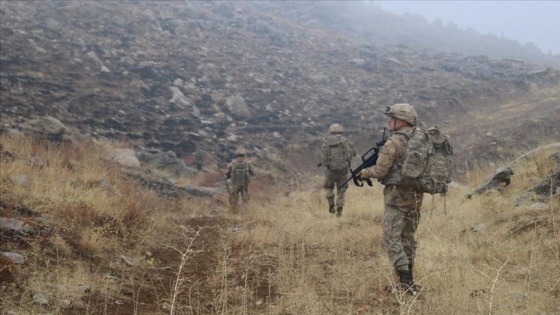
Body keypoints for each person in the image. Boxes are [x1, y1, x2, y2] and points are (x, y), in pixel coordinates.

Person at [357, 103, 423, 295]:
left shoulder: (393, 142)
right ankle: (408, 280)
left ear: (402, 121)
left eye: (392, 118)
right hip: (416, 196)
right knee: (408, 237)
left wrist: (363, 173)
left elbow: (380, 171)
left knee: (391, 238)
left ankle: (406, 284)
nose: (388, 121)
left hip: (396, 197)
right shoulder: (420, 139)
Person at [320, 123, 357, 217]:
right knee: (341, 190)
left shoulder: (326, 142)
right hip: (343, 171)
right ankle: (339, 211)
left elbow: (323, 159)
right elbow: (354, 153)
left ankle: (331, 201)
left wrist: (328, 166)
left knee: (328, 187)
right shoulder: (346, 140)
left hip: (330, 172)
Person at [225, 148, 255, 212]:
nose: (240, 158)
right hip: (243, 185)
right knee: (244, 200)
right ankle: (243, 213)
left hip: (237, 185)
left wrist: (227, 178)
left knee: (235, 199)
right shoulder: (248, 163)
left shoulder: (232, 163)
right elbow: (253, 172)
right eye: (240, 156)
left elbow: (227, 173)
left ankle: (234, 212)